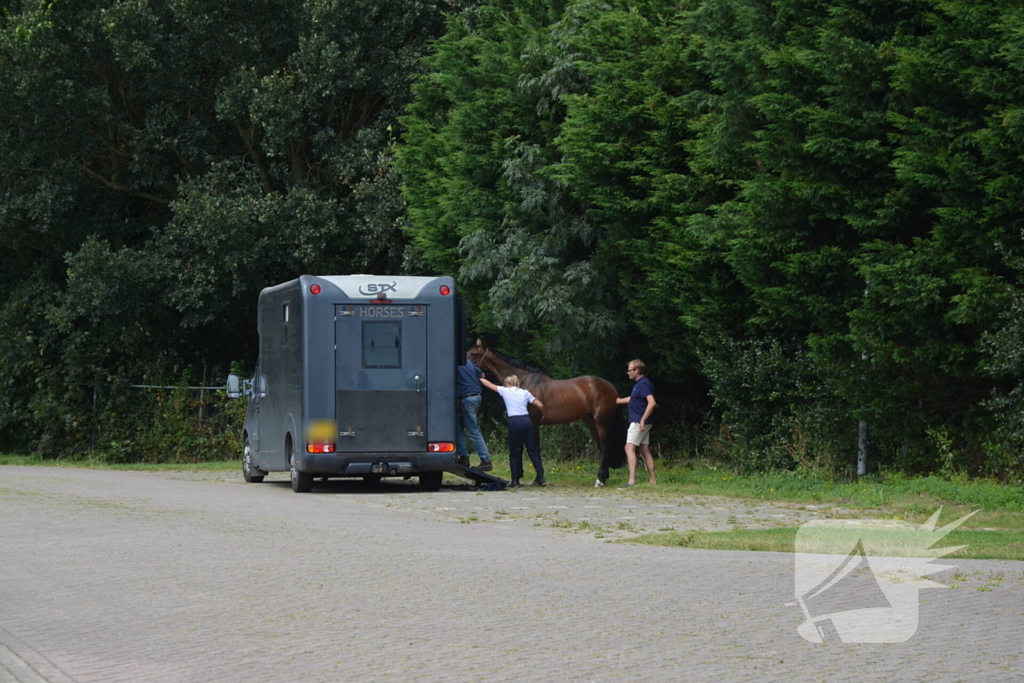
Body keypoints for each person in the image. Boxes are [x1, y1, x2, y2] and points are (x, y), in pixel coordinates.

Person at [480, 374, 545, 488]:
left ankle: (515, 480)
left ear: (507, 384)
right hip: (526, 420)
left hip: (514, 421)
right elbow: (539, 404)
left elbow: (490, 385)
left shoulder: (505, 391)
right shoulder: (525, 392)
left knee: (514, 452)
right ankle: (541, 478)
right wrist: (543, 415)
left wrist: (479, 377)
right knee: (532, 451)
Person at [615, 359, 656, 488]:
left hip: (639, 422)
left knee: (629, 448)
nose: (628, 373)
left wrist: (642, 419)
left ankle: (631, 481)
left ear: (637, 371)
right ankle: (652, 480)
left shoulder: (643, 384)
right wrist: (618, 401)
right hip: (643, 422)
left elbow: (652, 402)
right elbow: (634, 399)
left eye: (630, 370)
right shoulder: (640, 384)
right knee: (644, 450)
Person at [456, 349, 493, 471]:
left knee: (473, 430)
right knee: (458, 427)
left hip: (466, 398)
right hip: (476, 396)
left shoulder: (452, 364)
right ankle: (463, 457)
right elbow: (482, 375)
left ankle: (485, 460)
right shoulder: (468, 362)